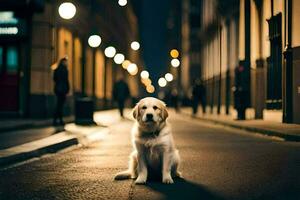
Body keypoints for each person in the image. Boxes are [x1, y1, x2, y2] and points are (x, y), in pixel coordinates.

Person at [53, 57, 70, 125]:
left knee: (59, 105)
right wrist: (67, 88)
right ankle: (58, 120)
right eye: (65, 62)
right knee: (60, 105)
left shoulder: (58, 69)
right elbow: (65, 80)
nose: (66, 63)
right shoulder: (63, 70)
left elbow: (55, 79)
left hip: (59, 89)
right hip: (61, 89)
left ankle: (58, 120)